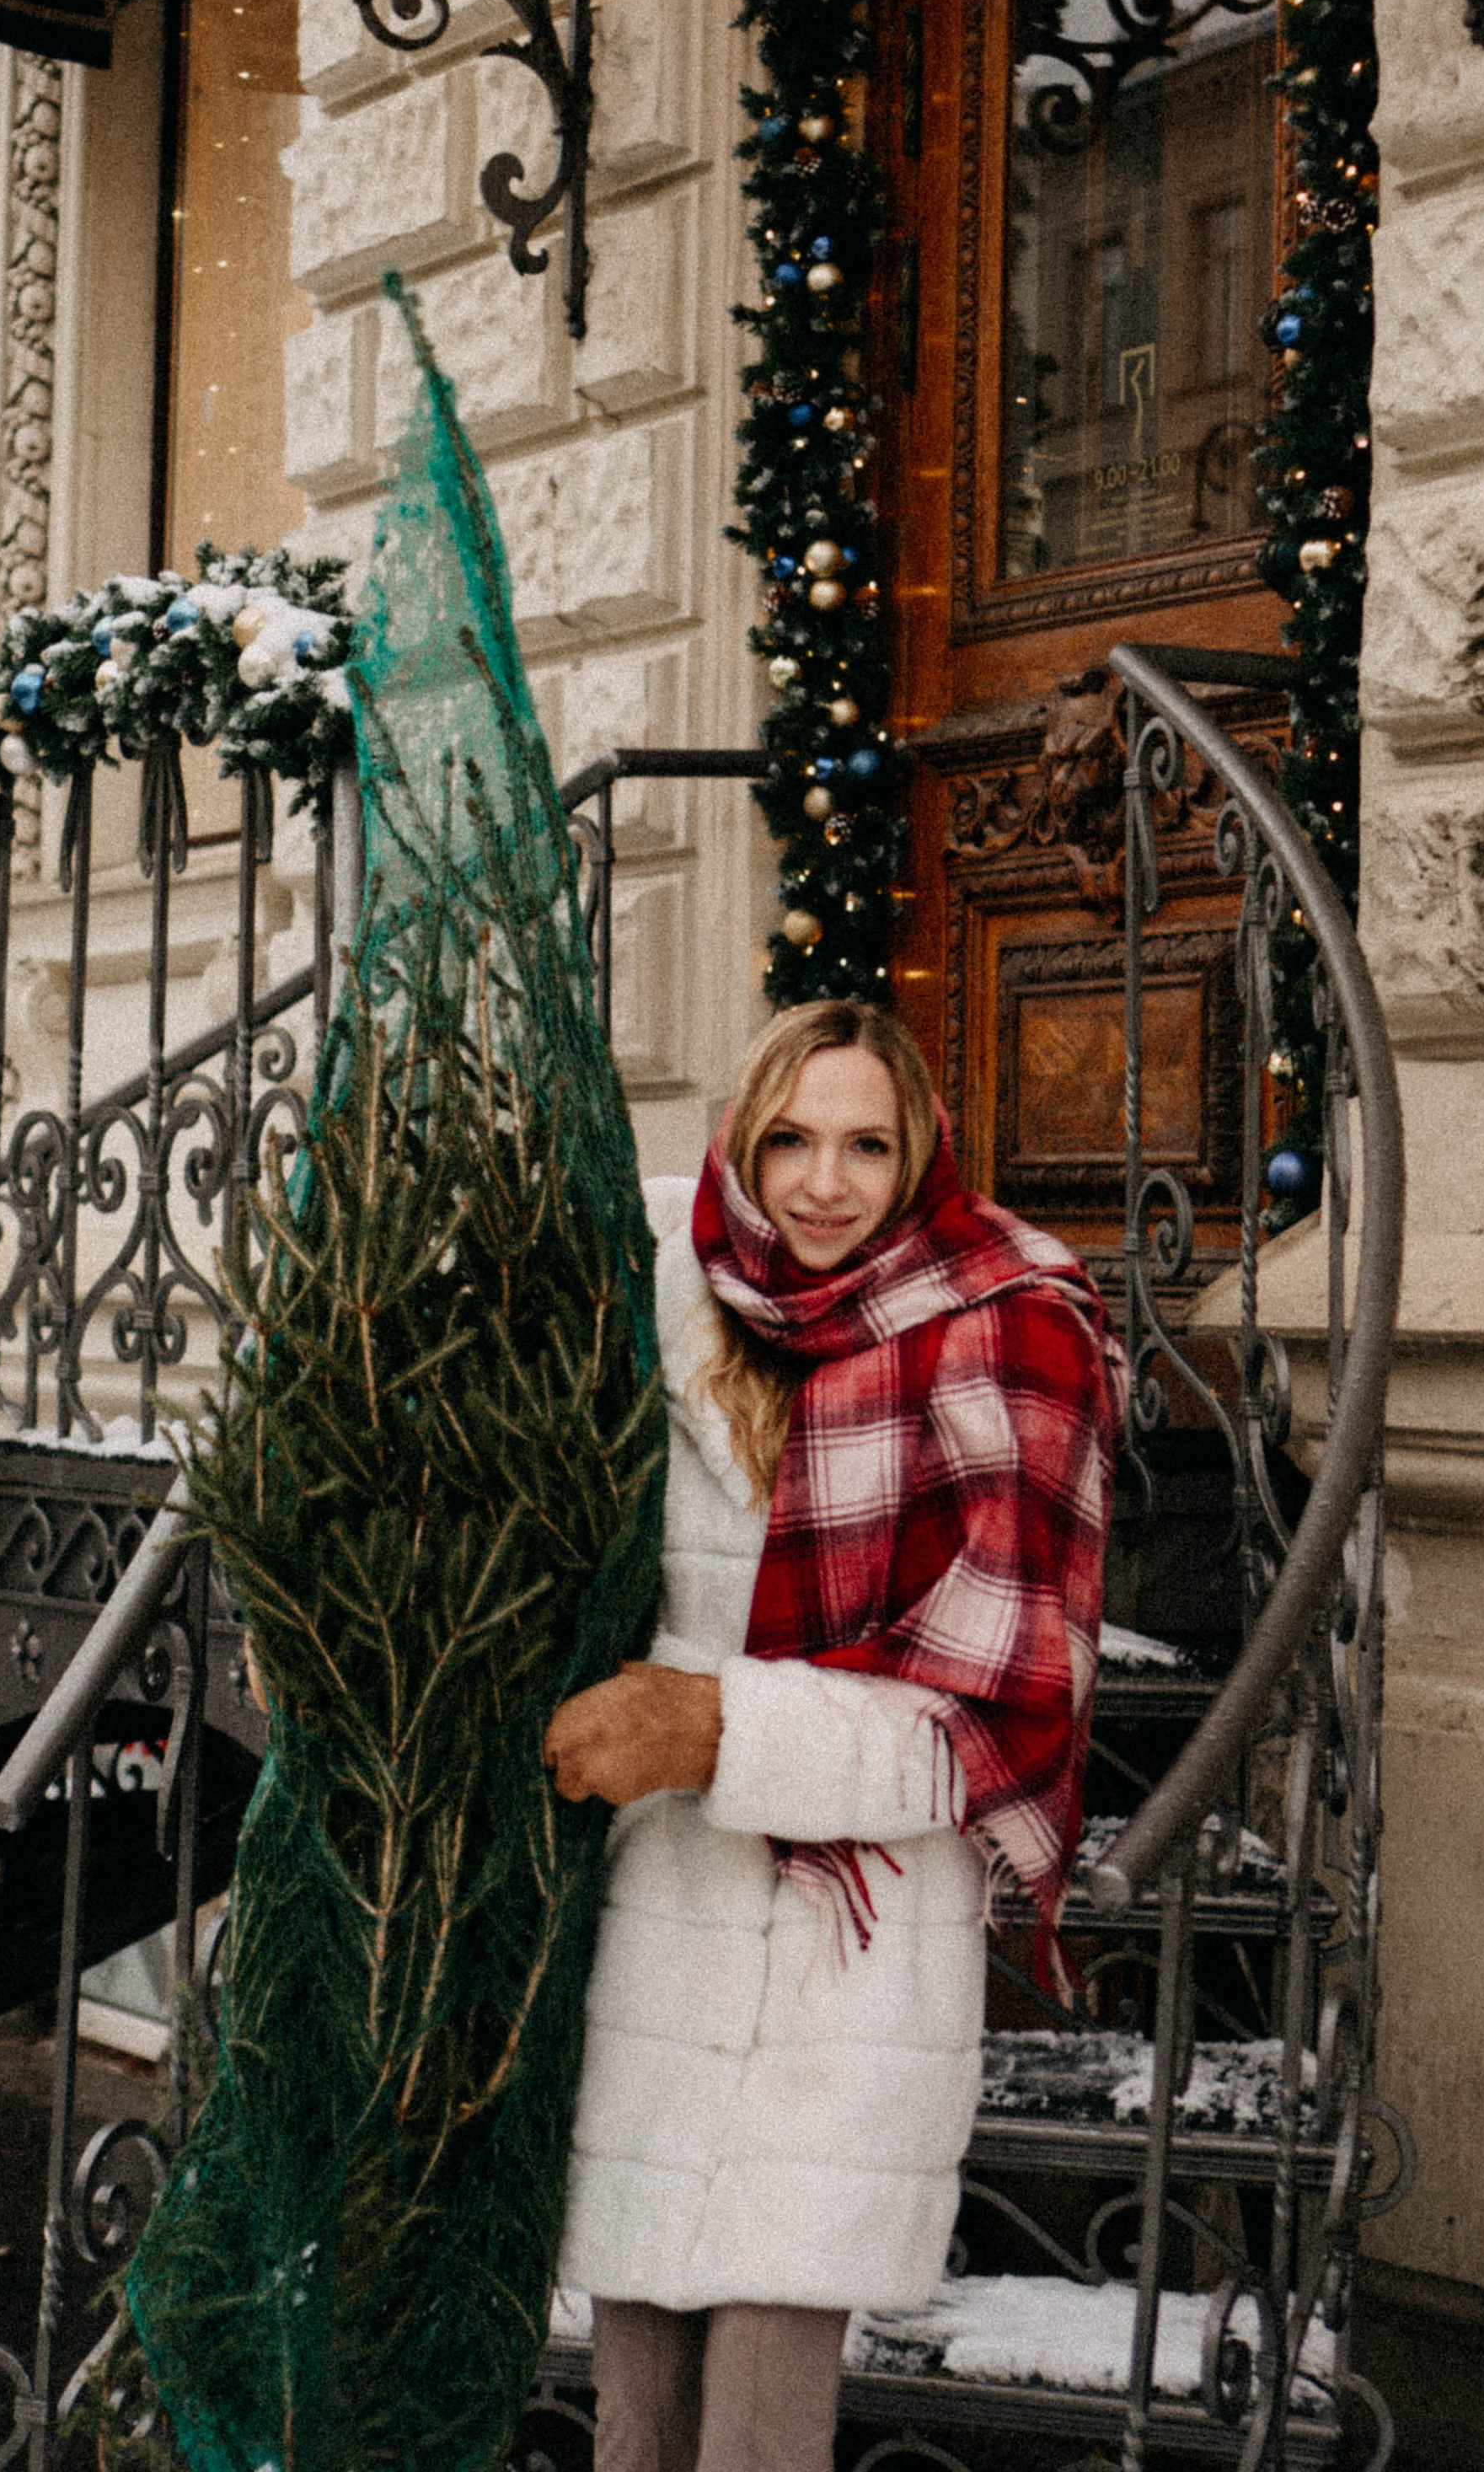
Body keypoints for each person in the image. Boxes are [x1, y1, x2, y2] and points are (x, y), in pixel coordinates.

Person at [542, 999, 1125, 2472]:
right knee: (635, 2413)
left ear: (920, 1154)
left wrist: (714, 1729)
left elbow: (994, 1723)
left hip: (848, 1949)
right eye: (789, 1141)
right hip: (658, 1909)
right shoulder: (671, 1290)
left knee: (761, 2418)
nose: (822, 1186)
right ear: (740, 1145)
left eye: (867, 1146)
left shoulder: (1010, 1330)